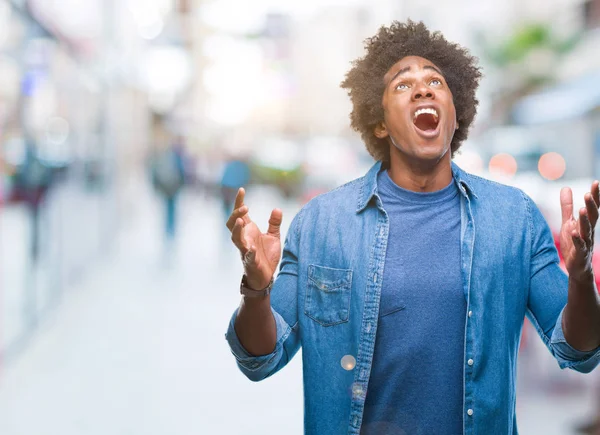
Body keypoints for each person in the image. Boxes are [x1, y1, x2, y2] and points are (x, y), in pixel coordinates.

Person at [224, 20, 600, 434]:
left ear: (456, 116)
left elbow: (580, 349)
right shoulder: (321, 224)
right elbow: (260, 357)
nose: (423, 89)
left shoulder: (514, 218)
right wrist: (257, 291)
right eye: (403, 85)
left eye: (436, 82)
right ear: (380, 122)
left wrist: (580, 279)